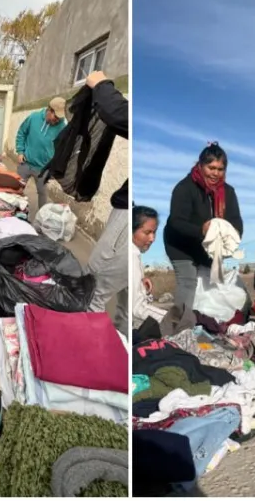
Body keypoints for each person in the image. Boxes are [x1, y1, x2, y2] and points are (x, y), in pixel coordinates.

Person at [164, 143, 243, 320]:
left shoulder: (228, 193)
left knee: (212, 284)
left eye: (220, 169)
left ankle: (205, 322)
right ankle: (178, 329)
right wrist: (202, 229)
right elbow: (176, 222)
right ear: (200, 165)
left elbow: (236, 221)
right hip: (180, 244)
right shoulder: (184, 188)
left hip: (207, 247)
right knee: (188, 282)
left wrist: (231, 238)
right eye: (211, 167)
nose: (215, 173)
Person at [82, 71, 129, 336]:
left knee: (92, 288)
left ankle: (85, 358)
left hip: (131, 219)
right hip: (139, 220)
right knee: (128, 301)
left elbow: (118, 114)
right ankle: (121, 358)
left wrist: (101, 83)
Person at [15, 95, 67, 213]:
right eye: (56, 116)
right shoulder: (34, 118)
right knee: (16, 189)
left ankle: (42, 219)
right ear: (49, 110)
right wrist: (20, 151)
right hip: (25, 163)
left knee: (43, 194)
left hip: (43, 169)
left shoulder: (62, 127)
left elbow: (62, 150)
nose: (57, 120)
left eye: (60, 118)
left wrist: (55, 168)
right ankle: (12, 213)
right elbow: (21, 133)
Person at [131, 203, 166, 328]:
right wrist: (170, 318)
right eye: (147, 232)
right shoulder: (132, 257)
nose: (152, 238)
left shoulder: (135, 253)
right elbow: (136, 307)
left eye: (154, 232)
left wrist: (141, 281)